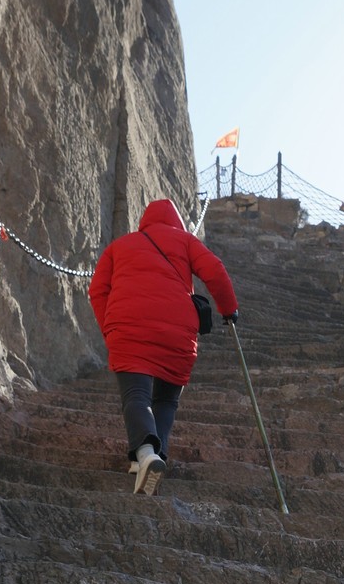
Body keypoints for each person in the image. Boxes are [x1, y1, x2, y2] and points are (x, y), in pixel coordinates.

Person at [88, 199, 238, 494]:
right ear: (177, 221)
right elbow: (215, 270)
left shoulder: (119, 246)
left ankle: (145, 455)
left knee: (136, 395)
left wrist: (111, 328)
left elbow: (97, 291)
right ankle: (155, 457)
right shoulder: (185, 241)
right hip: (177, 334)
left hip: (128, 327)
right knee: (166, 401)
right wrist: (229, 309)